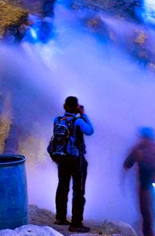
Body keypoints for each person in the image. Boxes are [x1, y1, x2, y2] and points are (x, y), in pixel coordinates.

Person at [48, 96, 94, 233]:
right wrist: (84, 114)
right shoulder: (78, 121)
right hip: (76, 160)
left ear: (64, 106)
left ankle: (60, 218)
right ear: (76, 107)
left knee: (62, 186)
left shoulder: (57, 120)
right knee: (78, 190)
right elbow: (90, 131)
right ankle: (76, 223)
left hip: (61, 158)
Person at [123, 127, 155, 236]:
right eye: (145, 138)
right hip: (145, 186)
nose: (146, 140)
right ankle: (149, 232)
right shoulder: (139, 150)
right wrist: (135, 156)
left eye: (147, 138)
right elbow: (127, 164)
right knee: (147, 215)